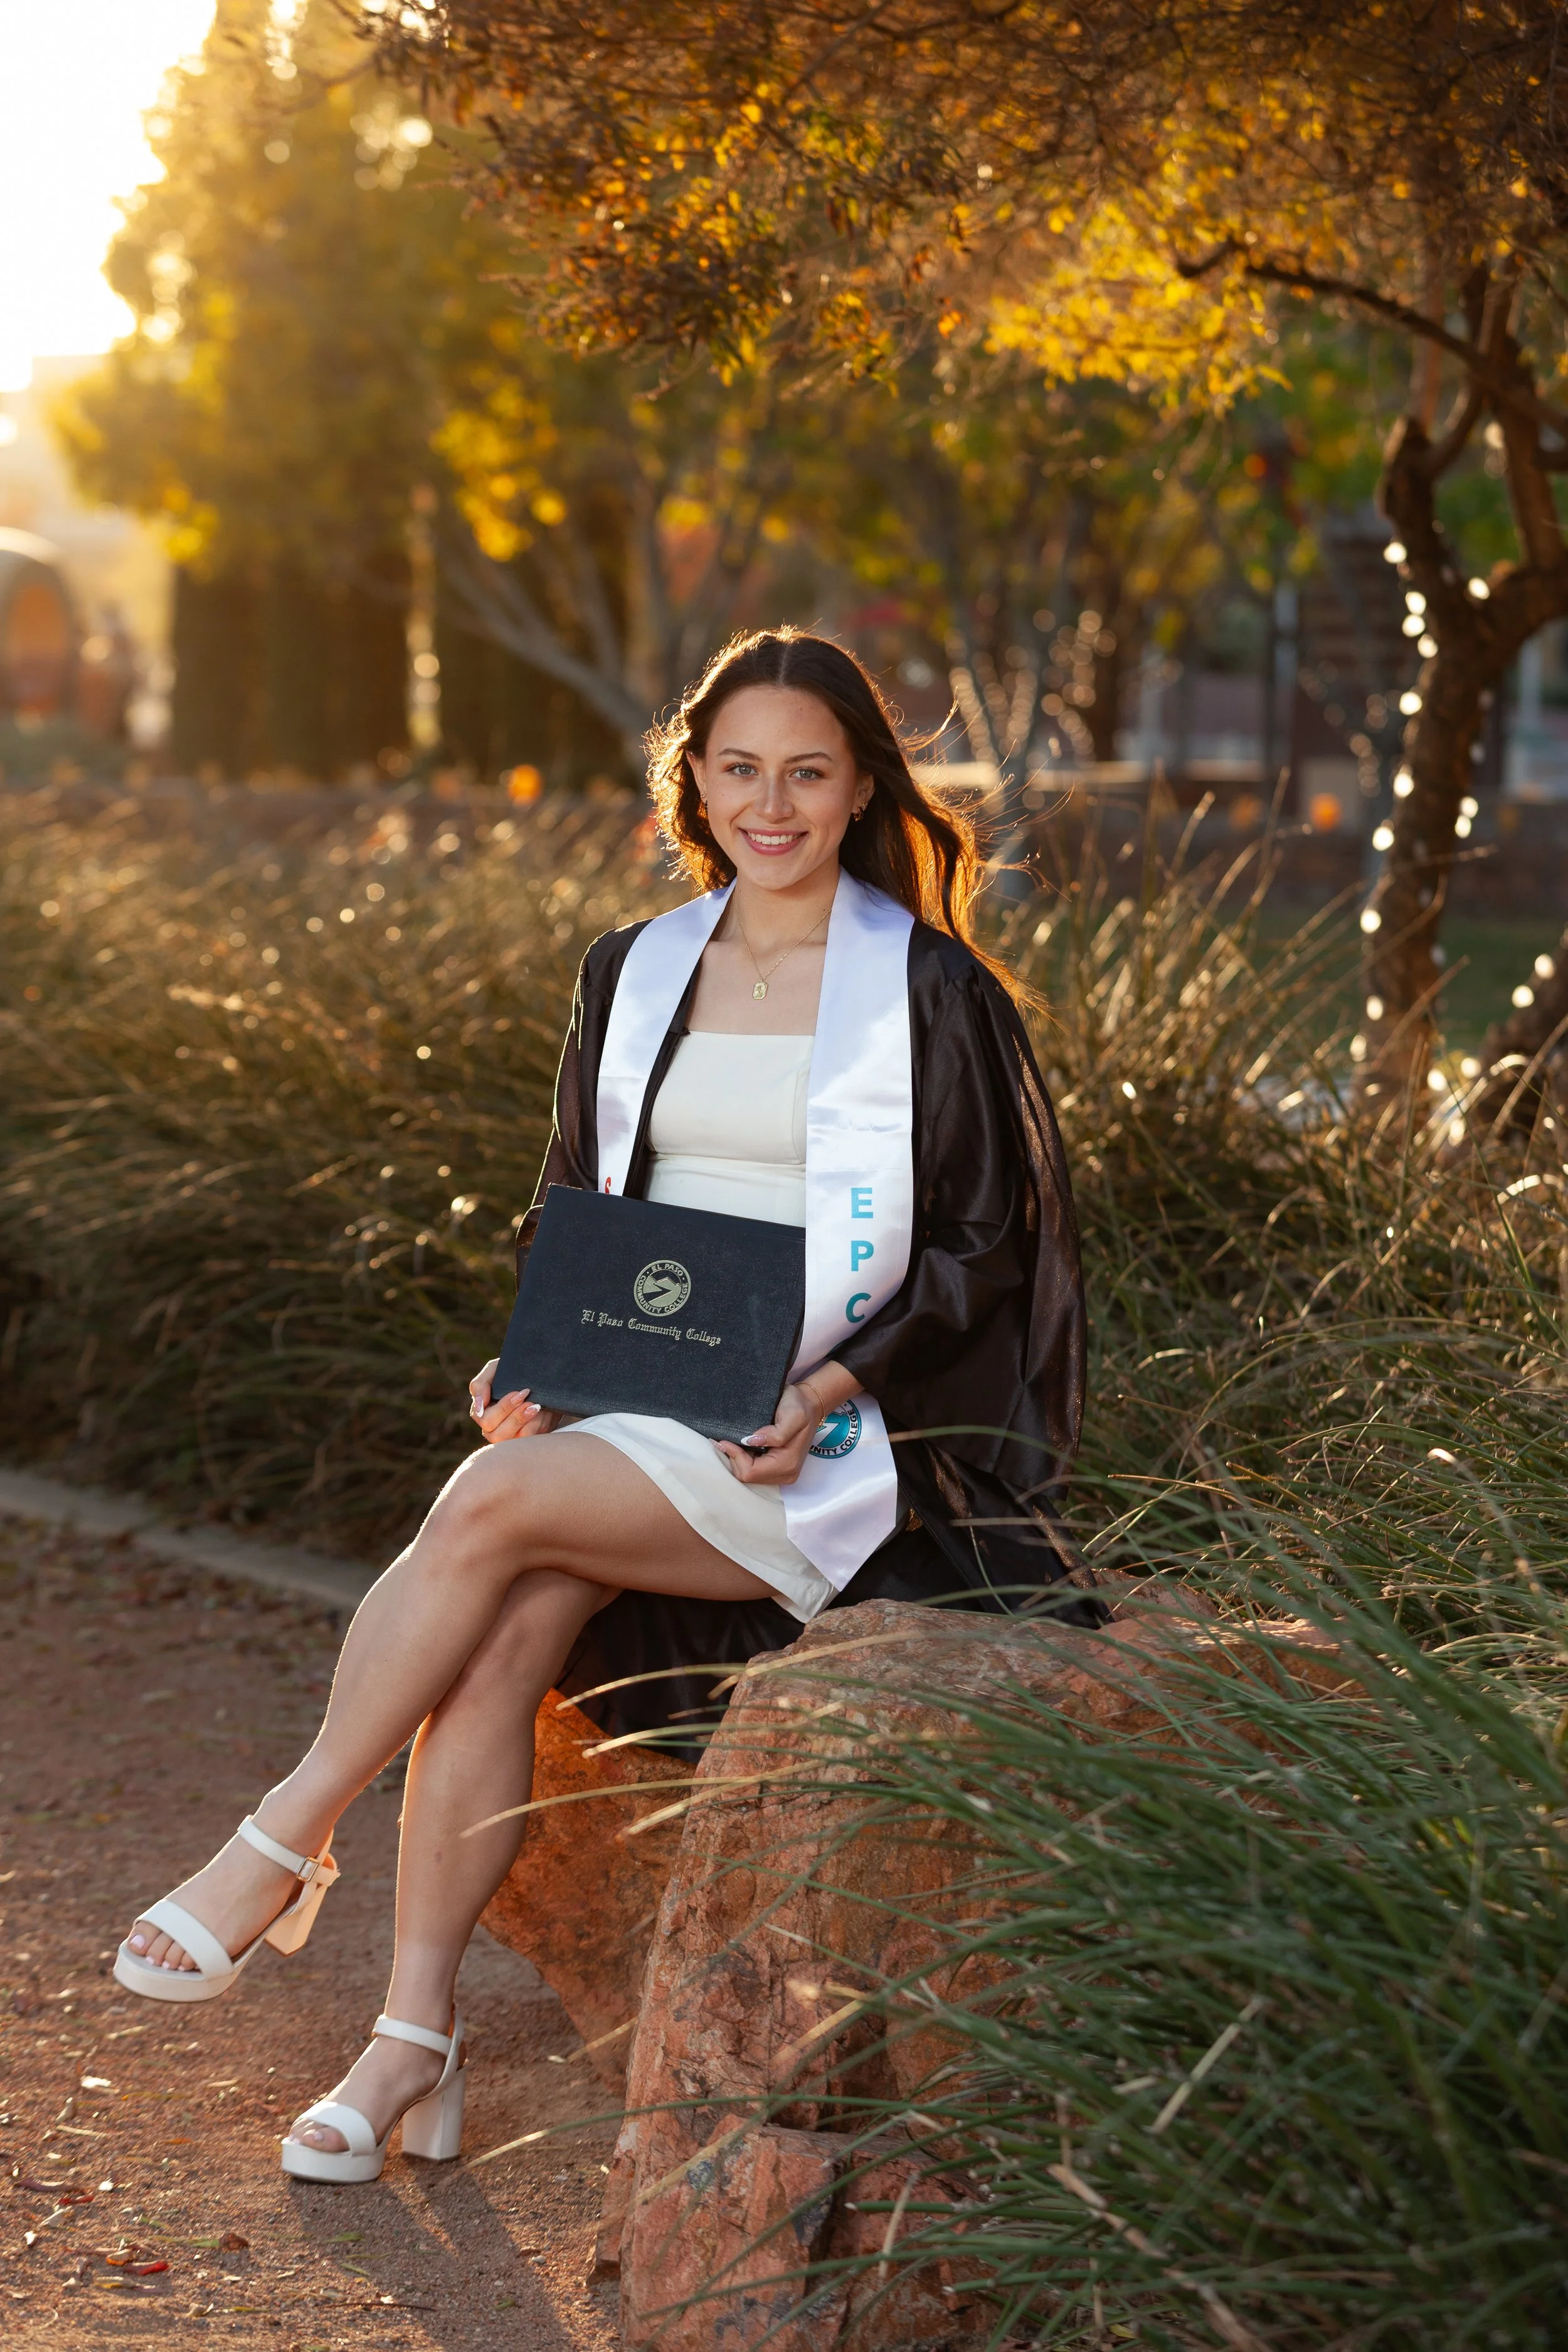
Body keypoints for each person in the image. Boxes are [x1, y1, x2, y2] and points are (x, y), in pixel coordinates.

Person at [110, 627, 1097, 2185]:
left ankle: (281, 1844)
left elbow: (986, 1243)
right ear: (693, 779)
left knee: (491, 1512)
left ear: (857, 791)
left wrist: (833, 1379)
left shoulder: (923, 988)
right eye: (737, 769)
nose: (768, 803)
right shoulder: (632, 969)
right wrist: (538, 1361)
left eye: (806, 773)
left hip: (817, 1440)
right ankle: (409, 2051)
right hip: (639, 1399)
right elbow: (575, 1199)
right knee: (504, 1618)